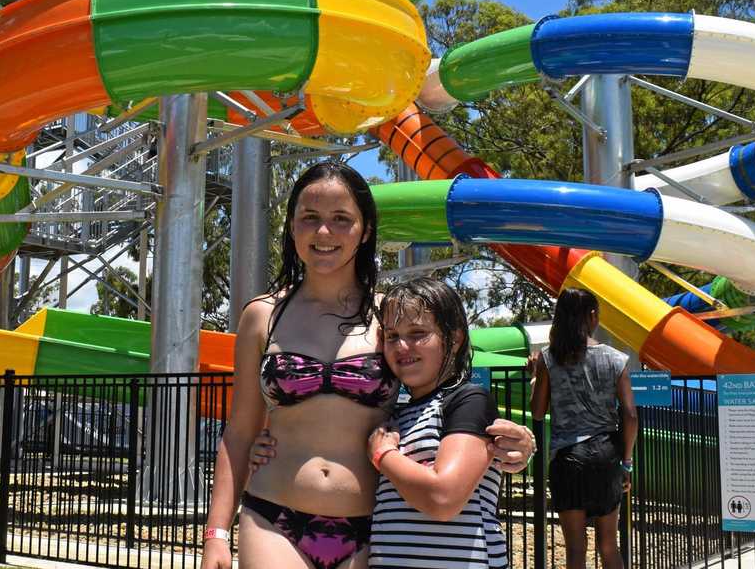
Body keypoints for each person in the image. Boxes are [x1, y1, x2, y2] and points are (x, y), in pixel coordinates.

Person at [201, 161, 534, 569]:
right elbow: (239, 432)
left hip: (371, 528)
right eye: (310, 218)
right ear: (291, 227)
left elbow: (440, 396)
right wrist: (216, 533)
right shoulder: (261, 315)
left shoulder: (390, 318)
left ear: (366, 230)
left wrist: (514, 442)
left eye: (342, 219)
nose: (324, 233)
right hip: (273, 516)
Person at [253, 277, 513, 567]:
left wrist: (382, 455)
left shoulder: (467, 401)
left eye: (418, 333)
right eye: (391, 336)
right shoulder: (397, 416)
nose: (402, 346)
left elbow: (443, 498)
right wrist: (260, 446)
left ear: (455, 339)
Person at [530, 288, 638, 569]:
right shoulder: (616, 359)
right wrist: (626, 464)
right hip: (606, 455)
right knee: (609, 545)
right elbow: (629, 415)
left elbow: (538, 412)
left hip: (567, 459)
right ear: (592, 316)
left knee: (576, 550)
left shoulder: (548, 358)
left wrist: (535, 377)